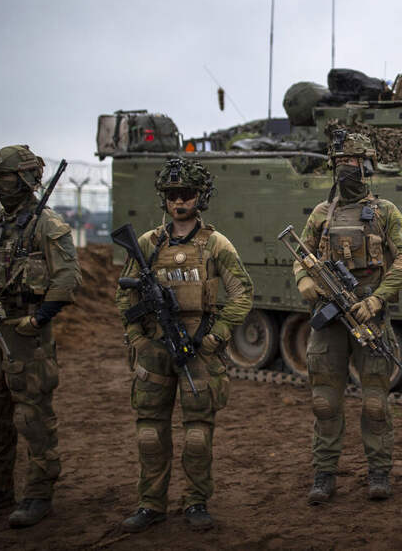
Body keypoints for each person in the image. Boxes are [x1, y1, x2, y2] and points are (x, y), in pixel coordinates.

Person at [115, 157, 253, 532]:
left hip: (197, 350)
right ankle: (150, 504)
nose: (179, 201)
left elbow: (242, 294)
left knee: (197, 435)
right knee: (149, 433)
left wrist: (215, 335)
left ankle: (195, 501)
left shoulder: (216, 244)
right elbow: (125, 296)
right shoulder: (147, 243)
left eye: (187, 194)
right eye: (172, 194)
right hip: (154, 350)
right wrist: (138, 339)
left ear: (200, 197)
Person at [0, 145, 81, 528]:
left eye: (5, 176)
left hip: (26, 335)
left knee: (31, 416)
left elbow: (68, 278)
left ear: (24, 178)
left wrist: (38, 319)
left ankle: (38, 493)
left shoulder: (46, 225)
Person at [293, 131, 402, 504]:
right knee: (324, 402)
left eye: (354, 162)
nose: (348, 168)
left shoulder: (385, 212)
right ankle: (324, 474)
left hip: (370, 320)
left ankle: (379, 473)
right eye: (342, 162)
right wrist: (303, 281)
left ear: (367, 166)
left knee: (375, 403)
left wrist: (377, 299)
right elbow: (301, 255)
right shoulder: (320, 214)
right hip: (328, 321)